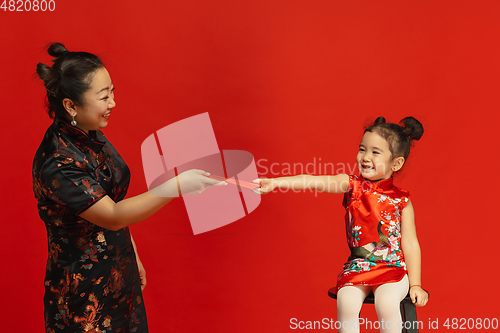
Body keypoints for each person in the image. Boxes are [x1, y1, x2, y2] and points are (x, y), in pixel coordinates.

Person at [32, 42, 224, 333]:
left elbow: (111, 197)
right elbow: (112, 214)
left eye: (112, 92)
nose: (113, 103)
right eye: (103, 96)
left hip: (120, 276)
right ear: (71, 105)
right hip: (83, 294)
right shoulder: (58, 160)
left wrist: (130, 253)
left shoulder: (91, 133)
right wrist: (175, 187)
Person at [255, 116, 429, 333]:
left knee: (385, 302)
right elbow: (313, 181)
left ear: (396, 163)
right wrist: (275, 183)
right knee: (346, 300)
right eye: (362, 149)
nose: (365, 157)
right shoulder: (351, 185)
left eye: (375, 152)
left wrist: (416, 284)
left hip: (392, 269)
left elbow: (411, 244)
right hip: (358, 268)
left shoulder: (401, 200)